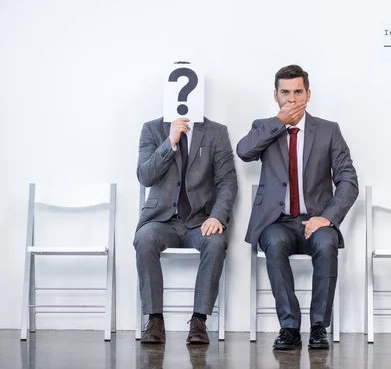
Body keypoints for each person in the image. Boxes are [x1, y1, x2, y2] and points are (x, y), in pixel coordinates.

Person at [237, 64, 359, 350]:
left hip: (315, 220)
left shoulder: (328, 131)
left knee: (327, 243)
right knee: (275, 244)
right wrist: (279, 122)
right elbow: (243, 152)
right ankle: (289, 327)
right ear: (275, 95)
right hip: (276, 222)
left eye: (298, 92)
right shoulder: (263, 127)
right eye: (285, 93)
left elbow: (348, 180)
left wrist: (327, 217)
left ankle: (318, 327)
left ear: (308, 94)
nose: (292, 99)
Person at [134, 92, 238, 344]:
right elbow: (145, 176)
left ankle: (199, 322)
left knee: (215, 242)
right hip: (161, 221)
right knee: (144, 239)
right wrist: (170, 142)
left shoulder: (216, 132)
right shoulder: (151, 129)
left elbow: (227, 181)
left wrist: (217, 217)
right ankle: (155, 320)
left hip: (200, 221)